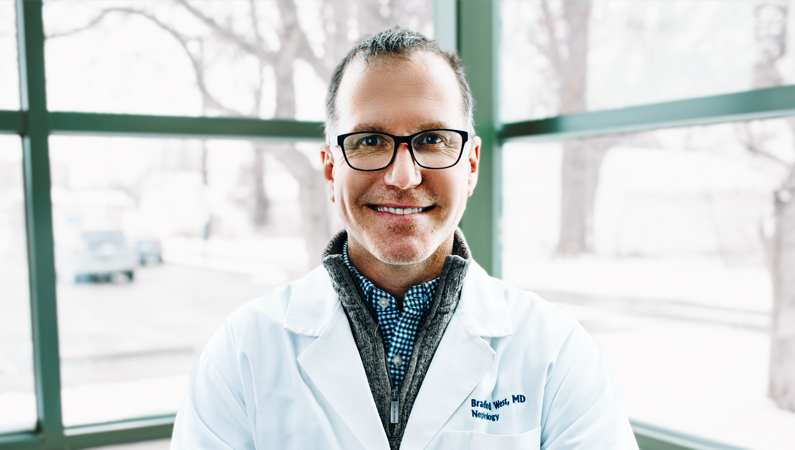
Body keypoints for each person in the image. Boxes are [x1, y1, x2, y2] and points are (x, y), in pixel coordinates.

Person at [171, 29, 639, 450]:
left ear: (471, 165)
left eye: (433, 139)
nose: (402, 175)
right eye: (370, 141)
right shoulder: (241, 354)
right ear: (332, 168)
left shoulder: (558, 355)